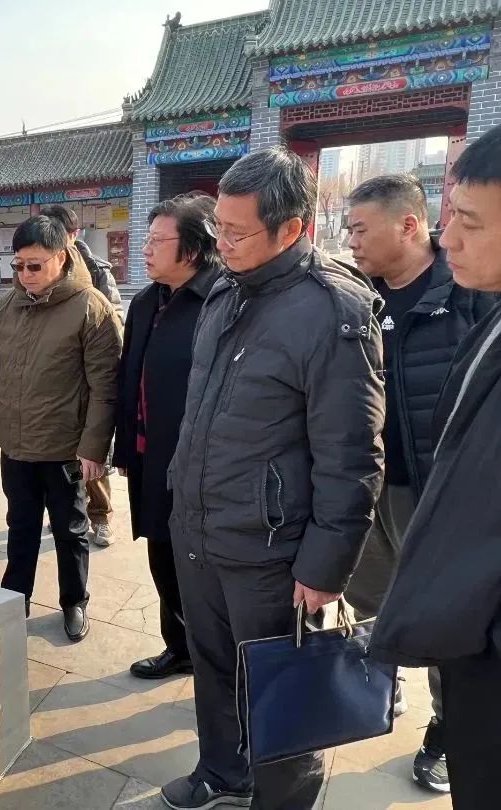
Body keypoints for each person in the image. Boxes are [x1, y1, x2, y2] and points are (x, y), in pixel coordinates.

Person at [162, 147, 384, 810]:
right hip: (201, 527)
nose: (221, 244)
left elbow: (352, 455)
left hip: (271, 550)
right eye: (219, 228)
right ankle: (222, 772)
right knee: (213, 666)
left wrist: (325, 567)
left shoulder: (332, 310)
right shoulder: (224, 290)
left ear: (291, 229)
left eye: (237, 232)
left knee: (282, 690)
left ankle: (283, 801)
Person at [344, 174, 497, 793]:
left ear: (407, 225)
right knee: (370, 597)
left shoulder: (471, 294)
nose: (351, 242)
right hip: (369, 484)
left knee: (443, 615)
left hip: (435, 495)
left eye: (360, 229)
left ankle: (447, 728)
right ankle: (383, 684)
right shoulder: (356, 298)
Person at [0, 215, 121, 642]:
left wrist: (94, 448)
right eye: (18, 265)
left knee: (69, 530)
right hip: (16, 444)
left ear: (61, 257)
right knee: (20, 525)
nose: (25, 274)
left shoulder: (91, 307)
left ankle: (74, 601)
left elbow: (105, 388)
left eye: (34, 265)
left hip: (63, 448)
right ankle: (14, 598)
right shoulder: (8, 304)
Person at [112, 193, 220, 681]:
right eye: (147, 239)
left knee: (202, 565)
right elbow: (127, 377)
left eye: (158, 241)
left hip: (200, 465)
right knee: (162, 555)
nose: (146, 249)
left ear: (192, 249)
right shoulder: (145, 302)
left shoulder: (220, 300)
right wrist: (122, 448)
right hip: (149, 456)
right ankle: (179, 647)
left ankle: (216, 658)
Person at [41, 204, 123, 547]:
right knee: (60, 461)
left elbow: (114, 318)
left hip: (88, 379)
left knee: (91, 458)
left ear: (74, 235)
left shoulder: (97, 271)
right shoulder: (41, 271)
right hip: (55, 383)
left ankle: (100, 515)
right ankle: (67, 512)